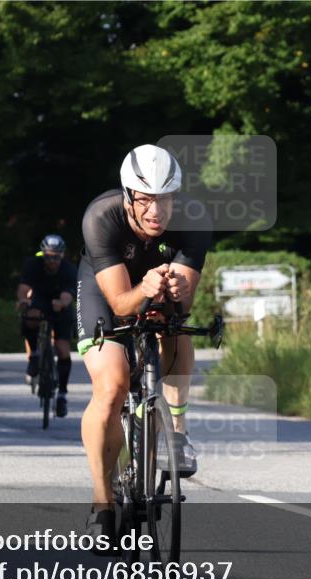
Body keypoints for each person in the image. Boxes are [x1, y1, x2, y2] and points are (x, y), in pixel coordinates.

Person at [76, 144, 212, 542]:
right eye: (146, 199)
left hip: (156, 286)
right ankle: (103, 504)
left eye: (166, 199)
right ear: (128, 196)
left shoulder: (194, 219)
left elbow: (184, 303)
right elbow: (121, 303)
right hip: (105, 290)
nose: (157, 211)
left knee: (177, 326)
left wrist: (176, 293)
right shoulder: (101, 217)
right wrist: (145, 288)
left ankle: (178, 430)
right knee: (113, 385)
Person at [17, 234, 76, 418]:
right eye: (49, 256)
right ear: (43, 254)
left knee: (62, 349)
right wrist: (23, 301)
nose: (52, 261)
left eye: (56, 257)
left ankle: (62, 395)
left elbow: (68, 294)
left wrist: (62, 303)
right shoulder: (33, 265)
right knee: (30, 316)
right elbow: (24, 288)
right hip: (41, 300)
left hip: (60, 304)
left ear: (62, 255)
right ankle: (34, 355)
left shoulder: (68, 269)